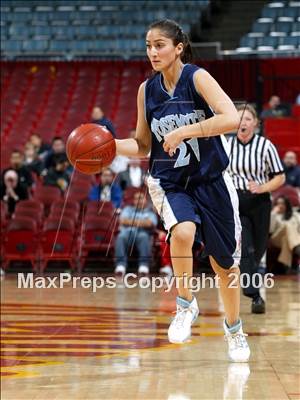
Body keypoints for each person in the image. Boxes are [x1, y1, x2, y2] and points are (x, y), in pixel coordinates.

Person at [114, 19, 250, 362]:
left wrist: (186, 131)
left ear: (178, 48)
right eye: (148, 45)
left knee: (225, 267)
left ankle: (235, 331)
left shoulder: (197, 77)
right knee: (183, 231)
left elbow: (232, 118)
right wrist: (109, 146)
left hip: (213, 180)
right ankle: (185, 304)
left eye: (159, 44)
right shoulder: (147, 90)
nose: (152, 52)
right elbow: (144, 144)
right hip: (170, 181)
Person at [227, 104, 285, 314]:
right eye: (240, 119)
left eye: (248, 119)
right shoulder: (227, 146)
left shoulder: (265, 146)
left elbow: (280, 176)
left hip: (259, 202)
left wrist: (262, 187)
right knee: (246, 249)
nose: (243, 122)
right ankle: (254, 295)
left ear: (255, 124)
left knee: (258, 248)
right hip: (236, 203)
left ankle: (253, 288)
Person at [114, 191, 157, 276]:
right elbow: (122, 221)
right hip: (127, 233)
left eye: (141, 198)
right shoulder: (127, 209)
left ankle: (143, 266)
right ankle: (120, 265)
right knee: (120, 237)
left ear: (146, 200)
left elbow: (150, 223)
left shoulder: (150, 211)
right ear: (134, 201)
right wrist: (142, 222)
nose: (138, 201)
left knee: (144, 237)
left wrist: (130, 221)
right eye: (136, 199)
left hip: (143, 233)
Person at [269, 195, 300, 269]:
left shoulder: (295, 215)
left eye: (282, 203)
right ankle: (297, 248)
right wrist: (273, 213)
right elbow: (270, 230)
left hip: (288, 240)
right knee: (287, 226)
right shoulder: (274, 215)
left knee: (285, 239)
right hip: (275, 238)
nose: (280, 205)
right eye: (278, 203)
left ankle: (287, 267)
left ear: (287, 204)